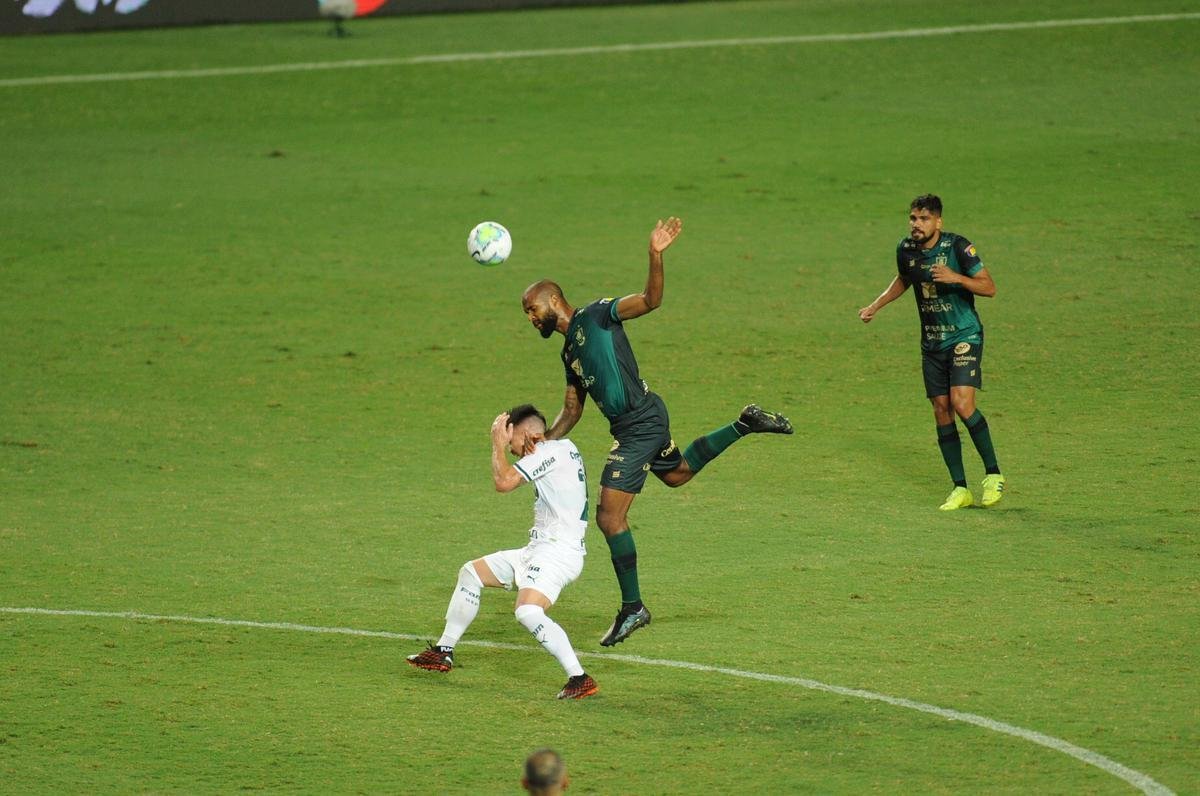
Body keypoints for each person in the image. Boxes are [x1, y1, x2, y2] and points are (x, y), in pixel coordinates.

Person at [521, 217, 794, 648]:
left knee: (610, 517)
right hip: (637, 424)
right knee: (678, 473)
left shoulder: (598, 315)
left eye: (532, 308)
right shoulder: (568, 351)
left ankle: (633, 608)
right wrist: (545, 441)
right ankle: (745, 423)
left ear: (553, 299)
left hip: (640, 425)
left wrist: (654, 255)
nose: (530, 318)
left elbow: (651, 300)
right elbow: (573, 409)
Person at [405, 405, 598, 700]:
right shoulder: (562, 448)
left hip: (557, 553)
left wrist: (496, 445)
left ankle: (579, 677)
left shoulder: (547, 452)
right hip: (539, 549)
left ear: (526, 433)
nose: (513, 450)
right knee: (471, 573)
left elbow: (503, 482)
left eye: (512, 443)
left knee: (527, 611)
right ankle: (443, 651)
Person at [858, 194, 1006, 510]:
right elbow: (904, 279)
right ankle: (960, 488)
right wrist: (875, 306)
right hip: (932, 342)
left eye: (924, 219)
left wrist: (956, 277)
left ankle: (993, 474)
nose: (917, 224)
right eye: (913, 218)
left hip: (964, 334)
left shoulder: (957, 247)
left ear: (938, 221)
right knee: (941, 408)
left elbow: (989, 287)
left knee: (961, 403)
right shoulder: (906, 250)